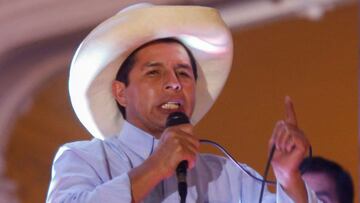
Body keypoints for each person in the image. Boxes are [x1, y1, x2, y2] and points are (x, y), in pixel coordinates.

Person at [47, 3, 320, 203]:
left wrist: (288, 178)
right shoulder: (85, 158)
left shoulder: (224, 174)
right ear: (120, 92)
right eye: (154, 72)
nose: (174, 83)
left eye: (183, 73)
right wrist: (157, 165)